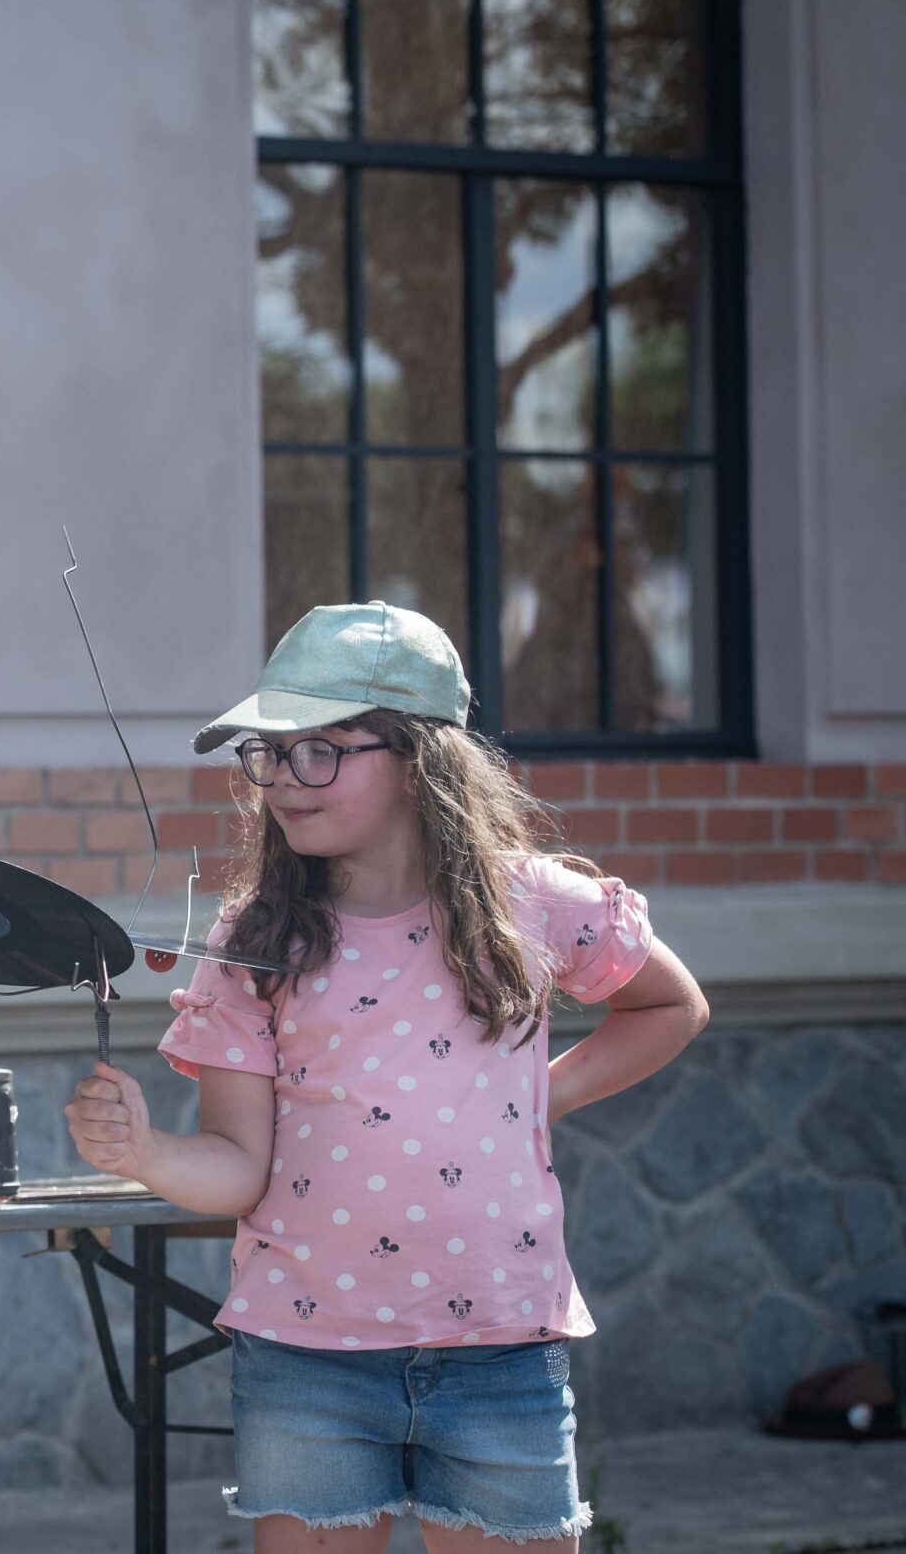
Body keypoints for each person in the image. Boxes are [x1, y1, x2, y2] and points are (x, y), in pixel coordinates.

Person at [63, 603, 709, 1553]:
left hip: (498, 1352)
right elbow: (240, 1168)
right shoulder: (257, 938)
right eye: (270, 752)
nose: (286, 777)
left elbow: (669, 1005)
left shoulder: (533, 904)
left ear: (417, 757)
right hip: (308, 1362)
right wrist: (145, 1149)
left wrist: (548, 1093)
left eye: (321, 750)